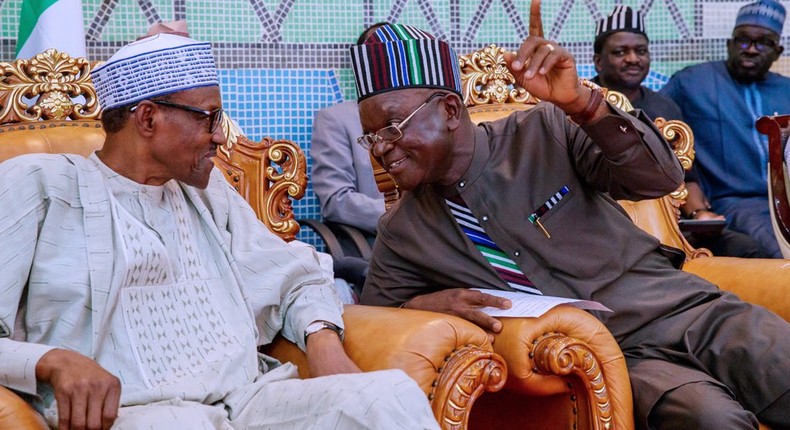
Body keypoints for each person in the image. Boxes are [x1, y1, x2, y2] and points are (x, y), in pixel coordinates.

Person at [350, 6, 790, 430]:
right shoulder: (402, 231)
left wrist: (585, 105)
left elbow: (657, 179)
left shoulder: (545, 131)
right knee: (712, 419)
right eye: (370, 136)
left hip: (682, 308)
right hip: (619, 359)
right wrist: (417, 305)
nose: (380, 149)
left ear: (448, 111)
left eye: (392, 127)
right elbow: (374, 325)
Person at [0, 33, 439, 430]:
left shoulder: (209, 191)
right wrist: (48, 360)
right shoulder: (41, 184)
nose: (220, 138)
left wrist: (323, 341)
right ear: (148, 118)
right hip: (140, 413)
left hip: (250, 400)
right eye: (209, 118)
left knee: (388, 396)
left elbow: (292, 274)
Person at [592, 5, 765, 258]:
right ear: (598, 61)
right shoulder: (585, 105)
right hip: (604, 223)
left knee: (746, 248)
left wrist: (699, 214)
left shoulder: (663, 106)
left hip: (669, 224)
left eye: (640, 51)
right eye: (620, 52)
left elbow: (687, 175)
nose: (633, 58)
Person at [661, 0, 790, 258]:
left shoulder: (786, 89)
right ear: (729, 44)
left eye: (763, 43)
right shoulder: (692, 82)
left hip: (787, 197)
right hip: (736, 203)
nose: (751, 50)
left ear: (777, 51)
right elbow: (652, 119)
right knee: (781, 251)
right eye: (743, 40)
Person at [311, 24, 390, 237]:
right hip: (381, 244)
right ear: (361, 68)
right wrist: (406, 216)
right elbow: (336, 201)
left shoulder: (423, 119)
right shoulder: (336, 119)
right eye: (379, 57)